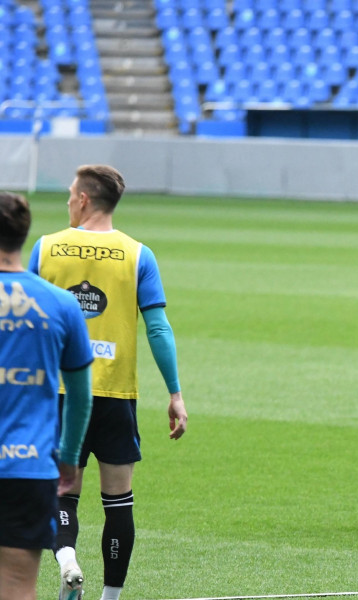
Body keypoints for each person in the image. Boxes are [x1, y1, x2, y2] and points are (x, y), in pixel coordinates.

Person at [28, 165, 188, 600]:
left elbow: (24, 320)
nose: (66, 201)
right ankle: (110, 597)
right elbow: (158, 329)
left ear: (83, 199)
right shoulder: (139, 255)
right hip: (117, 396)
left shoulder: (46, 249)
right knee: (119, 501)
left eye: (69, 194)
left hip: (61, 393)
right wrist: (174, 393)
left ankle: (66, 560)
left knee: (64, 491)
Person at [0, 192, 93, 600]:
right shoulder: (62, 304)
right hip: (29, 465)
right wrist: (70, 457)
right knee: (19, 586)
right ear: (23, 237)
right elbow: (80, 395)